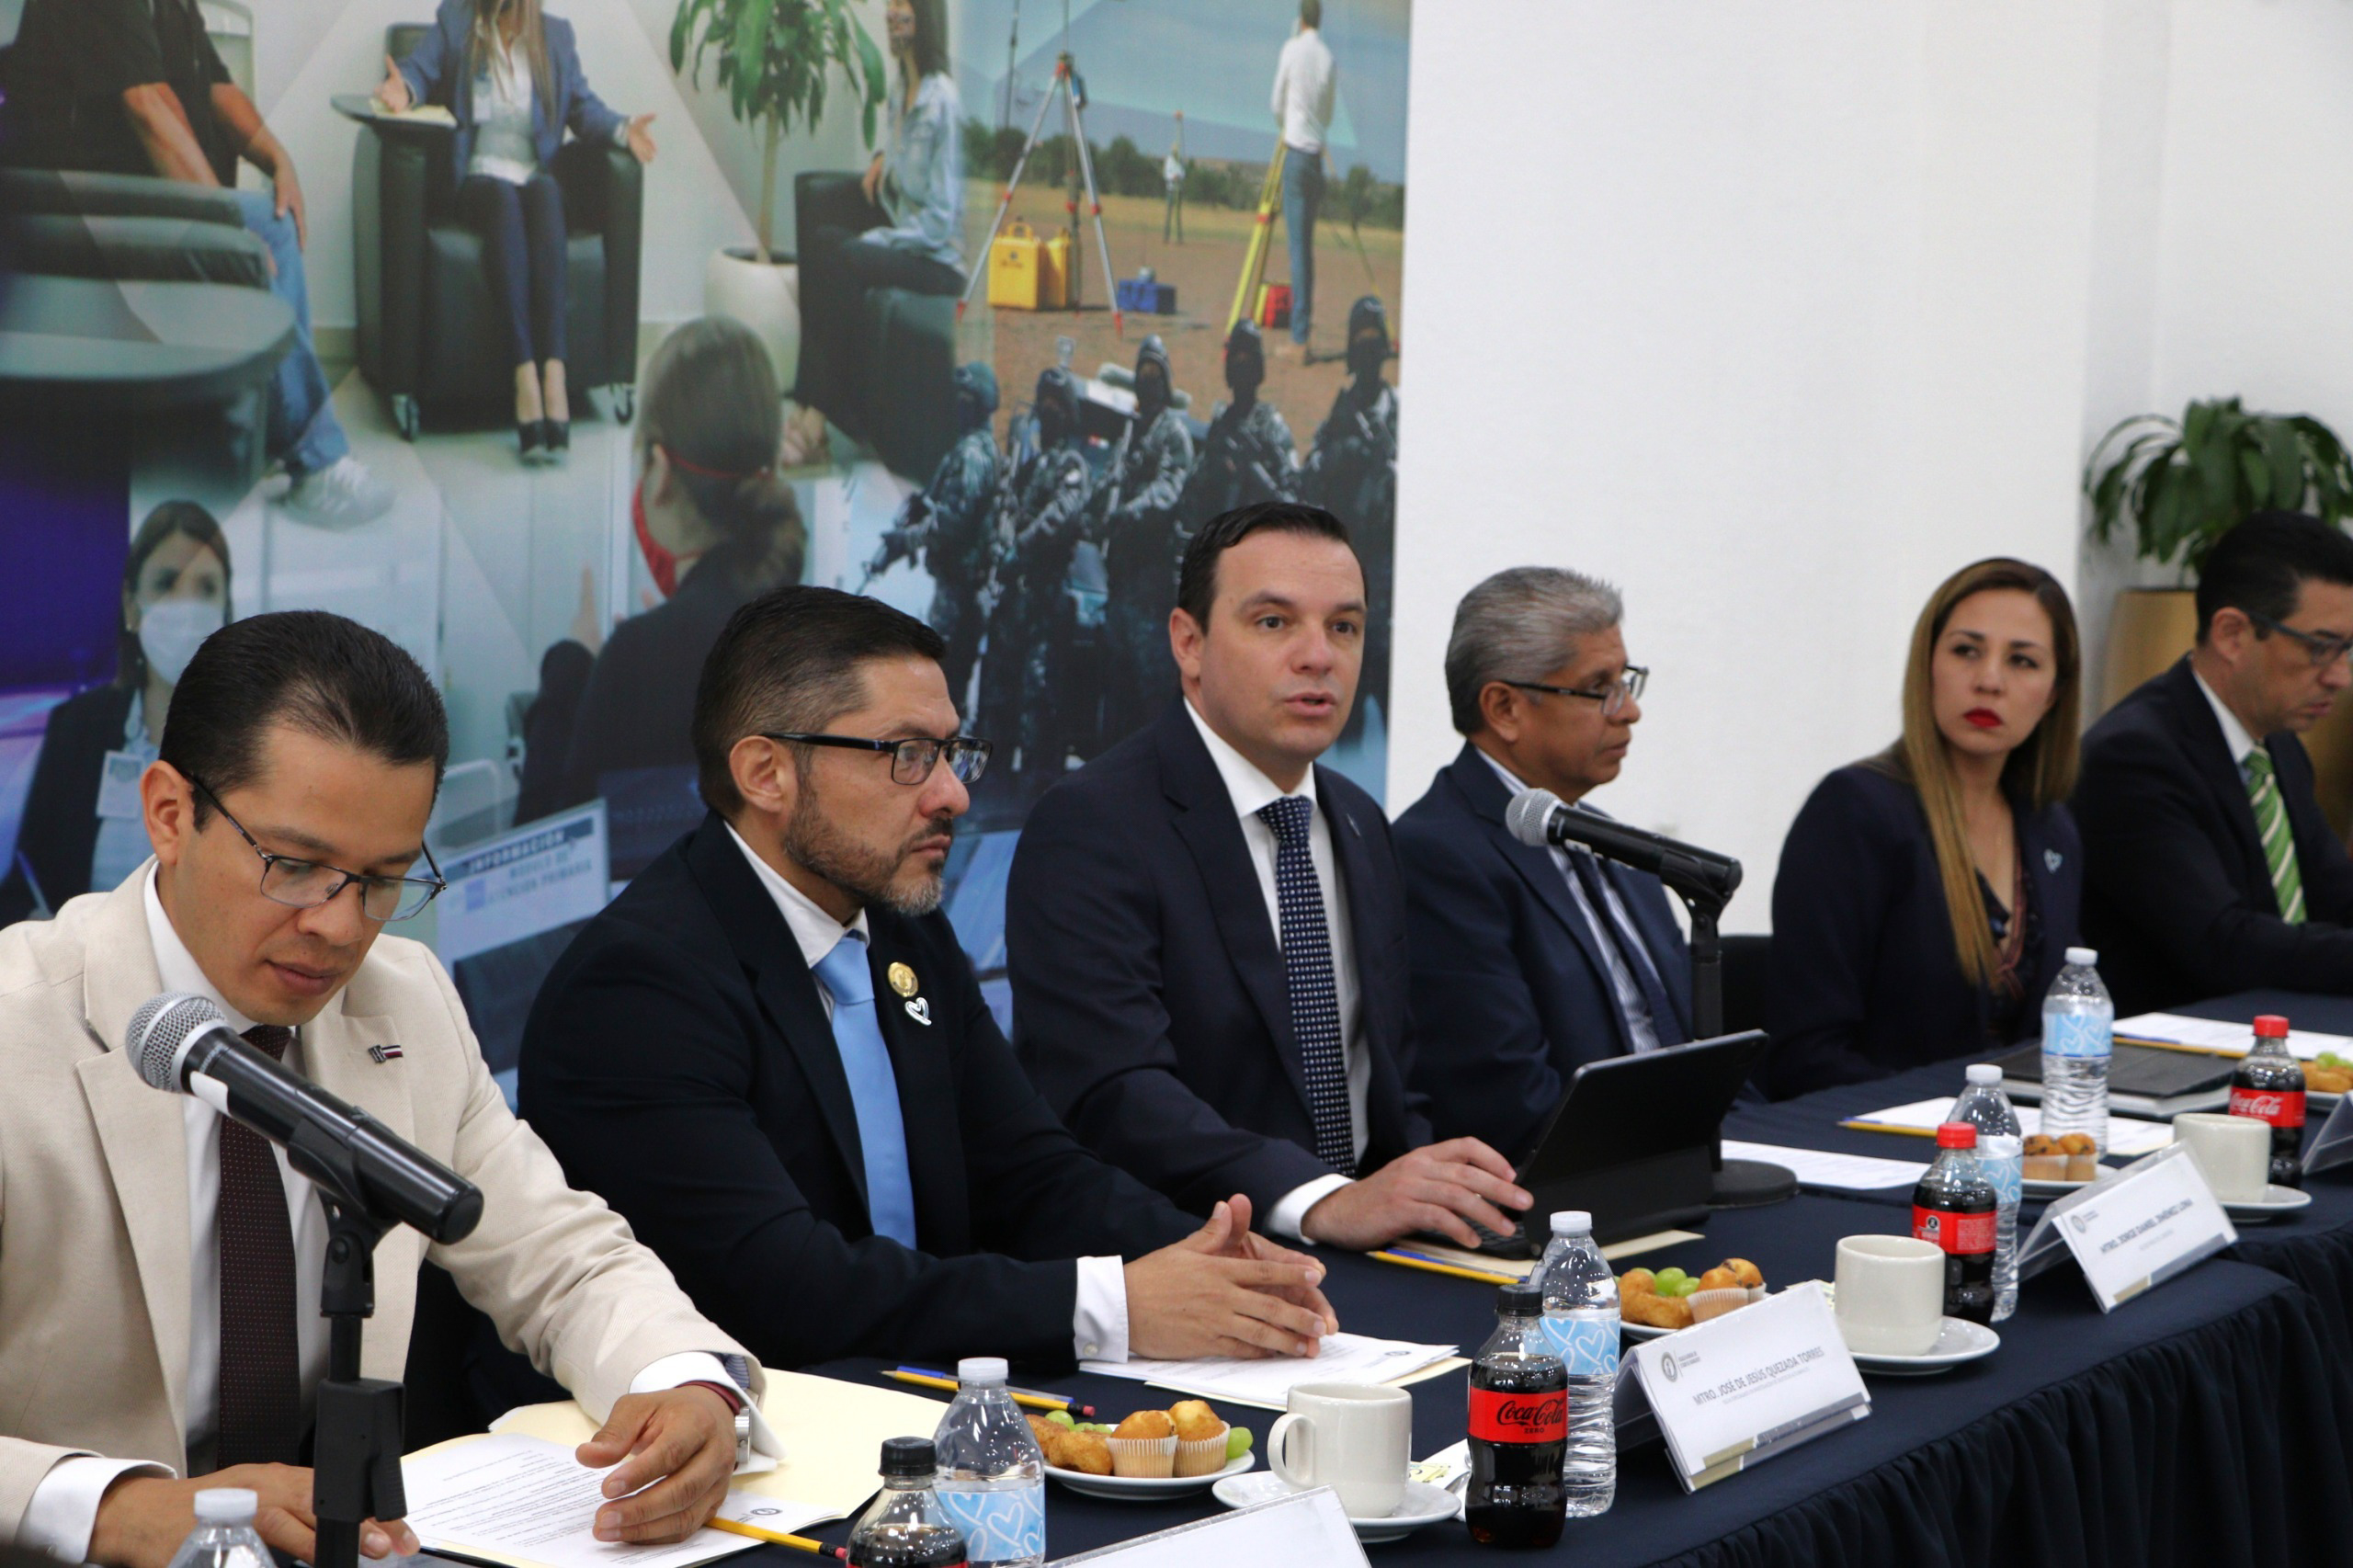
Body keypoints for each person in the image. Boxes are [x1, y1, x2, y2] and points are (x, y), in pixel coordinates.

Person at [0, 610, 774, 1566]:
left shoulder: (403, 999)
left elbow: (561, 1255)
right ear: (168, 814)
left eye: (382, 879)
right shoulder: (19, 1026)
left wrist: (688, 1380)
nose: (338, 926)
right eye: (294, 866)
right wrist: (117, 1509)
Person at [518, 585, 1337, 1369]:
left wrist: (1213, 1260)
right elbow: (784, 1290)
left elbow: (1031, 1174)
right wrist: (1111, 1306)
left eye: (951, 753)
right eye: (907, 756)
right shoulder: (639, 987)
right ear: (766, 773)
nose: (952, 795)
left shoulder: (903, 928)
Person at [1007, 503, 1531, 1250]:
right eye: (1274, 622)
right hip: (1195, 1253)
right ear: (1188, 643)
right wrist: (1320, 1200)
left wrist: (1433, 1192)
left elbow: (1387, 1078)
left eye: (1344, 627)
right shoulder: (1093, 823)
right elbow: (1115, 1092)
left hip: (1379, 1250)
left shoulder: (1360, 821)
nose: (1319, 656)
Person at [0, 0, 395, 526]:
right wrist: (224, 228)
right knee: (249, 242)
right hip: (75, 211)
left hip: (134, 199)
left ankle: (294, 443)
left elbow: (216, 86)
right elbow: (148, 105)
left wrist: (278, 160)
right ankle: (317, 461)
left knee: (273, 223)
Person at [1392, 568, 1691, 1158]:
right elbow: (1508, 1107)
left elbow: (1695, 1044)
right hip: (1576, 1179)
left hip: (1681, 1154)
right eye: (1599, 687)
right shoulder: (1439, 855)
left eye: (1626, 680)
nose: (1629, 711)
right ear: (1505, 708)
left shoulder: (1611, 838)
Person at [1766, 559, 2085, 1096]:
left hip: (2013, 1133)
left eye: (2022, 661)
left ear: (2053, 693)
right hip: (1874, 1131)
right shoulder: (1854, 810)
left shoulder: (2051, 828)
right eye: (1966, 651)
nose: (1989, 681)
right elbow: (1807, 1057)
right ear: (1927, 664)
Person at [516, 317, 804, 824]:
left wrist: (573, 668)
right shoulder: (813, 634)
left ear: (662, 471)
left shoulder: (638, 660)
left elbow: (548, 849)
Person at [2075, 511, 2353, 1014]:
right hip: (2175, 1042)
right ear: (2232, 634)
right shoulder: (2133, 758)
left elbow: (2335, 893)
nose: (2340, 677)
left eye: (2348, 650)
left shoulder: (2277, 745)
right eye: (2320, 648)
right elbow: (2222, 944)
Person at [376, 0, 657, 460]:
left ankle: (555, 374)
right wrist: (402, 88)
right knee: (504, 201)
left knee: (545, 194)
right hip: (478, 178)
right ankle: (524, 372)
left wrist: (624, 130)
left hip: (533, 175)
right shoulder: (457, 21)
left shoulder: (556, 37)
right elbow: (419, 70)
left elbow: (584, 108)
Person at [1, 504, 231, 926]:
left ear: (225, 608)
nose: (186, 607)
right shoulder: (77, 727)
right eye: (166, 584)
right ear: (132, 607)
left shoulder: (250, 738)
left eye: (205, 588)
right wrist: (36, 924)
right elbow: (22, 884)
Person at [792, 0, 963, 440]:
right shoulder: (901, 89)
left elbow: (940, 222)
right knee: (823, 241)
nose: (890, 14)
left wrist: (879, 239)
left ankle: (816, 420)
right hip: (910, 241)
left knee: (849, 256)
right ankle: (809, 400)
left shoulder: (943, 101)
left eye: (901, 5)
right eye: (890, 5)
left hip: (940, 261)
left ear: (923, 17)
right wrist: (882, 157)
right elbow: (906, 162)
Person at [865, 363, 1006, 712]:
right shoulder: (973, 450)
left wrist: (906, 541)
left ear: (981, 404)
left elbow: (952, 522)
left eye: (966, 399)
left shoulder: (973, 454)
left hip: (959, 593)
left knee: (941, 692)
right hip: (960, 591)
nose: (959, 406)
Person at [979, 366, 1093, 792]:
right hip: (1014, 602)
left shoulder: (1072, 466)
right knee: (999, 692)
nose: (1047, 410)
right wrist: (1002, 542)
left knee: (1039, 696)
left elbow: (1061, 514)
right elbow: (1008, 511)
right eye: (1042, 402)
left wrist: (1021, 545)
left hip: (1045, 601)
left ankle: (1035, 787)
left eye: (1056, 403)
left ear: (1068, 412)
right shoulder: (1026, 469)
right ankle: (993, 781)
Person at [1303, 297, 1397, 742]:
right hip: (1347, 572)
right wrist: (1340, 455)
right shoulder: (1341, 412)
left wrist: (1386, 466)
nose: (1367, 349)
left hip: (1390, 573)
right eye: (1360, 341)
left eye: (1374, 340)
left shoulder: (1398, 413)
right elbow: (1310, 472)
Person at [1097, 335, 1195, 738]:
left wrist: (1128, 512)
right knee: (1115, 691)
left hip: (1151, 587)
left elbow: (1168, 491)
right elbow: (1106, 484)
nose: (1148, 380)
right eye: (1143, 372)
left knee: (1153, 694)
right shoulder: (1130, 435)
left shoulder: (1173, 433)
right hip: (1120, 584)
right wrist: (1097, 511)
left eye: (1156, 373)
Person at [1178, 320, 1299, 528]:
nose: (1242, 366)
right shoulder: (1221, 426)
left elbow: (1294, 500)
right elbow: (1191, 489)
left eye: (1248, 360)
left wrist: (1255, 474)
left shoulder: (1273, 427)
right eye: (1237, 359)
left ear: (1258, 367)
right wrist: (1216, 467)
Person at [1268, 0, 1335, 359]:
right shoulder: (1328, 58)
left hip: (1295, 153)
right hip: (1315, 158)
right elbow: (1327, 112)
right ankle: (1301, 332)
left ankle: (1299, 340)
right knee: (1305, 249)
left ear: (1301, 18)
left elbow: (1276, 102)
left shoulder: (1291, 49)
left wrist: (1288, 124)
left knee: (1297, 250)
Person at [1163, 115, 1186, 244]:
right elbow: (1166, 174)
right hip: (1171, 190)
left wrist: (1179, 176)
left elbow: (1183, 173)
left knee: (1178, 215)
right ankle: (1166, 236)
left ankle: (1179, 238)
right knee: (1169, 214)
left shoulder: (1180, 160)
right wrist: (1173, 177)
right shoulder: (1169, 160)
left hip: (1179, 190)